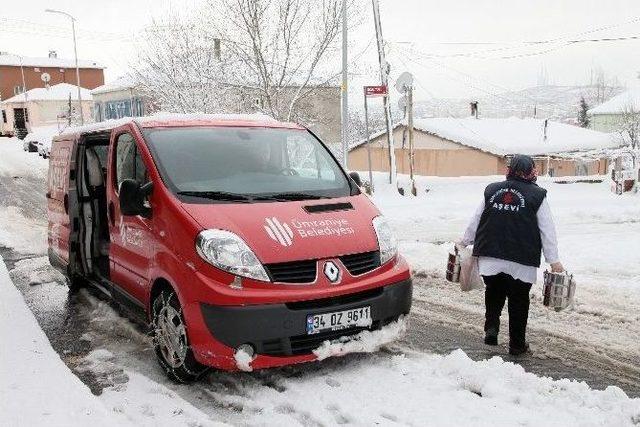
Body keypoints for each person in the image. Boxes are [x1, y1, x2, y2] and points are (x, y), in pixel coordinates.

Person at [459, 154, 564, 356]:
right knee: (519, 300)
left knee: (494, 292)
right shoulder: (537, 195)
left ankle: (491, 328)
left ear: (510, 169)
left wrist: (464, 241)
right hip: (521, 259)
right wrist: (554, 261)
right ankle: (517, 345)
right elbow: (547, 229)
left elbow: (477, 219)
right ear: (531, 170)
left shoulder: (492, 189)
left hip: (490, 255)